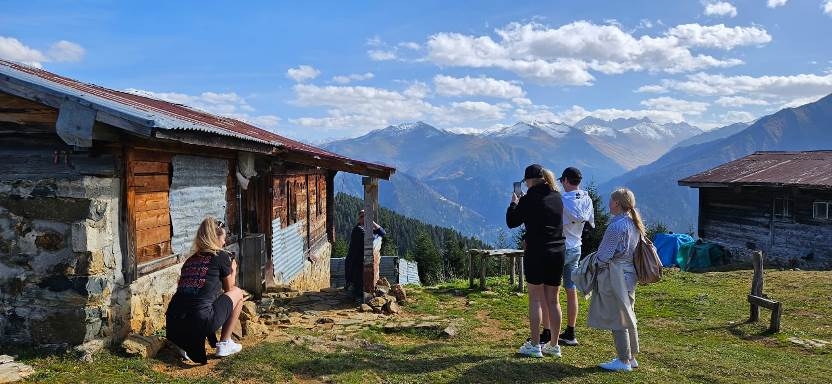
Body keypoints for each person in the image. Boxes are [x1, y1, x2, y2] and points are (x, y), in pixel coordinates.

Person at [166, 217, 245, 364]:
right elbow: (230, 289)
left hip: (173, 324)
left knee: (204, 302)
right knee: (238, 293)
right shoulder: (220, 256)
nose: (224, 243)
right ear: (215, 238)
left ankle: (186, 342)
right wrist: (233, 270)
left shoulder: (190, 261)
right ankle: (225, 344)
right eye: (223, 239)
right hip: (199, 320)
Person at [506, 164, 565, 358]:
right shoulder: (557, 196)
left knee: (536, 299)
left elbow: (512, 222)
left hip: (537, 252)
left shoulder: (529, 198)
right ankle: (554, 345)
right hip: (558, 251)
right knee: (553, 299)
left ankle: (534, 345)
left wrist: (514, 203)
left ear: (529, 180)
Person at [587, 188, 644, 372]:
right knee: (629, 313)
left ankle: (623, 360)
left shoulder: (616, 226)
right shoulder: (634, 223)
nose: (609, 204)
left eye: (611, 200)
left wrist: (589, 266)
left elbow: (603, 256)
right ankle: (631, 356)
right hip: (630, 273)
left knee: (618, 317)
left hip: (616, 274)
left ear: (617, 203)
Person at [557, 167, 594, 345]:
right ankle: (570, 332)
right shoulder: (587, 199)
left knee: (553, 291)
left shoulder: (561, 200)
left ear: (565, 180)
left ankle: (550, 331)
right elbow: (589, 223)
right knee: (571, 291)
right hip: (576, 247)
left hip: (560, 248)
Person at [345, 209, 386, 302]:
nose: (364, 218)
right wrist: (376, 234)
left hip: (360, 260)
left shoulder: (367, 228)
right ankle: (356, 300)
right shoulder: (358, 230)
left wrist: (373, 223)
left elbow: (383, 233)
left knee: (359, 282)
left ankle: (357, 297)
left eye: (366, 216)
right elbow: (370, 239)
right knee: (356, 282)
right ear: (359, 219)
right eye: (362, 216)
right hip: (354, 261)